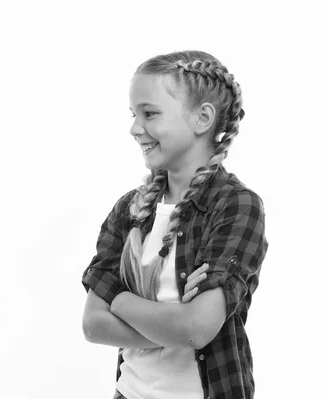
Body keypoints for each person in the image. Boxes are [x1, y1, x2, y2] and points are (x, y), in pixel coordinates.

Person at [81, 51, 268, 399]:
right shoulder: (129, 209)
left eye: (150, 114)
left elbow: (197, 329)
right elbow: (93, 325)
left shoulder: (235, 206)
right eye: (134, 115)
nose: (136, 129)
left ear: (202, 118)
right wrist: (175, 321)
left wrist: (117, 299)